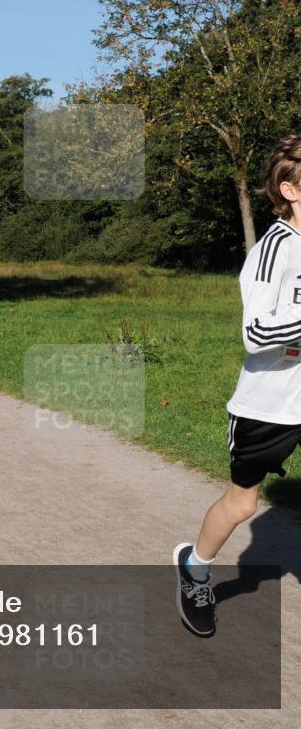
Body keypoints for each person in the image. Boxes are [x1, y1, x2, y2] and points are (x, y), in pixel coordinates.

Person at [174, 134, 301, 637]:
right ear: (290, 189)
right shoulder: (273, 250)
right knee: (243, 503)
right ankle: (195, 569)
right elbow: (255, 334)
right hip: (269, 404)